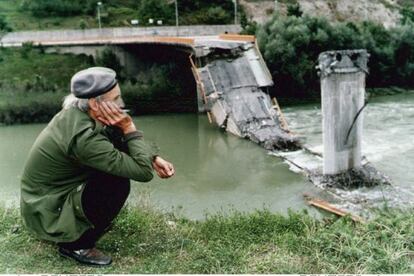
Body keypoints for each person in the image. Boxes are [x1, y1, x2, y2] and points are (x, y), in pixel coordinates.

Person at [20, 67, 175, 266]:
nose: (121, 104)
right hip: (46, 211)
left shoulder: (77, 112)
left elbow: (113, 138)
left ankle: (80, 228)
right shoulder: (84, 137)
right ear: (95, 102)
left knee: (111, 173)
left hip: (44, 201)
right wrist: (129, 127)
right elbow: (142, 173)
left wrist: (153, 157)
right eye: (116, 99)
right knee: (115, 183)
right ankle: (76, 245)